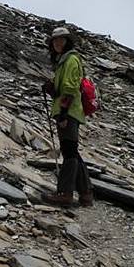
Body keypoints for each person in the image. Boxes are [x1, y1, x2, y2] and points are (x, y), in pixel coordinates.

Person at [41, 27, 93, 207]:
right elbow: (63, 89)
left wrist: (63, 114)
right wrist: (52, 88)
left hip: (69, 112)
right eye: (55, 41)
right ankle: (85, 194)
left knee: (69, 152)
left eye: (61, 40)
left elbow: (70, 89)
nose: (57, 43)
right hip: (71, 111)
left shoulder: (70, 60)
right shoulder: (64, 61)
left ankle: (65, 193)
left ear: (67, 42)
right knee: (72, 151)